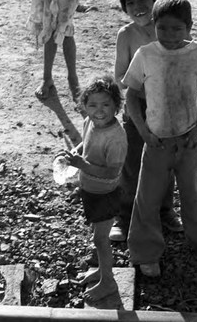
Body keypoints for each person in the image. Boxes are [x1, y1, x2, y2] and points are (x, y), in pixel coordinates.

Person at [123, 0, 197, 277]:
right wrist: (144, 132)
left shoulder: (196, 53)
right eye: (162, 28)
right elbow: (132, 95)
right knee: (147, 198)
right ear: (154, 24)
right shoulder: (146, 54)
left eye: (177, 28)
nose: (169, 35)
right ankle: (146, 252)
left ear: (189, 27)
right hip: (156, 142)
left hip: (188, 140)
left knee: (192, 195)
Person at [109, 0, 182, 242]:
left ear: (156, 1)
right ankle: (125, 216)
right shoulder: (126, 35)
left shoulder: (167, 29)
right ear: (124, 8)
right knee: (132, 164)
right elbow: (119, 75)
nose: (138, 6)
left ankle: (165, 211)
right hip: (138, 107)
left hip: (168, 107)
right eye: (130, 3)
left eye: (144, 0)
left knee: (166, 162)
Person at [58, 75, 127, 302]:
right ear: (84, 106)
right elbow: (85, 144)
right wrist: (74, 153)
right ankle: (102, 271)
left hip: (106, 194)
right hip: (90, 189)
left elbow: (111, 172)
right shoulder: (90, 121)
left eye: (106, 104)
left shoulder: (116, 138)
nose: (99, 110)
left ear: (116, 106)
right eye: (93, 105)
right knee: (97, 235)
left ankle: (108, 281)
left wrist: (81, 165)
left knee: (100, 239)